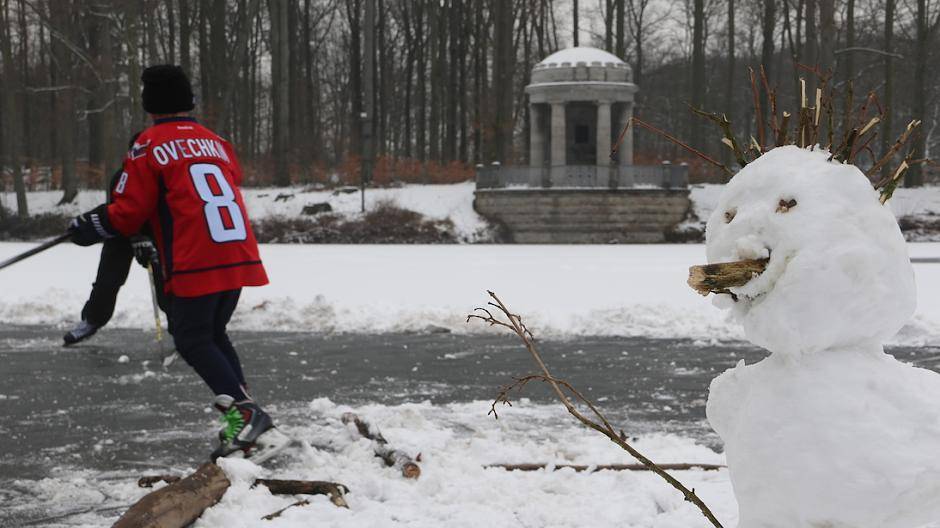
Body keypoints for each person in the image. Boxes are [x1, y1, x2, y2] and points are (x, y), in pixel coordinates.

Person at [67, 64, 286, 462]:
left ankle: (248, 417)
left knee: (191, 338)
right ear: (190, 100)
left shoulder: (147, 145)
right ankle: (248, 420)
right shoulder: (217, 142)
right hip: (236, 252)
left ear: (148, 104)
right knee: (212, 334)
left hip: (195, 257)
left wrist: (87, 226)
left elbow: (128, 213)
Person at [63, 135, 168, 346]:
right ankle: (92, 320)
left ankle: (181, 324)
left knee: (165, 279)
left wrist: (145, 239)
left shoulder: (163, 176)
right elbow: (119, 212)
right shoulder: (122, 177)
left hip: (155, 235)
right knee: (107, 280)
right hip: (121, 234)